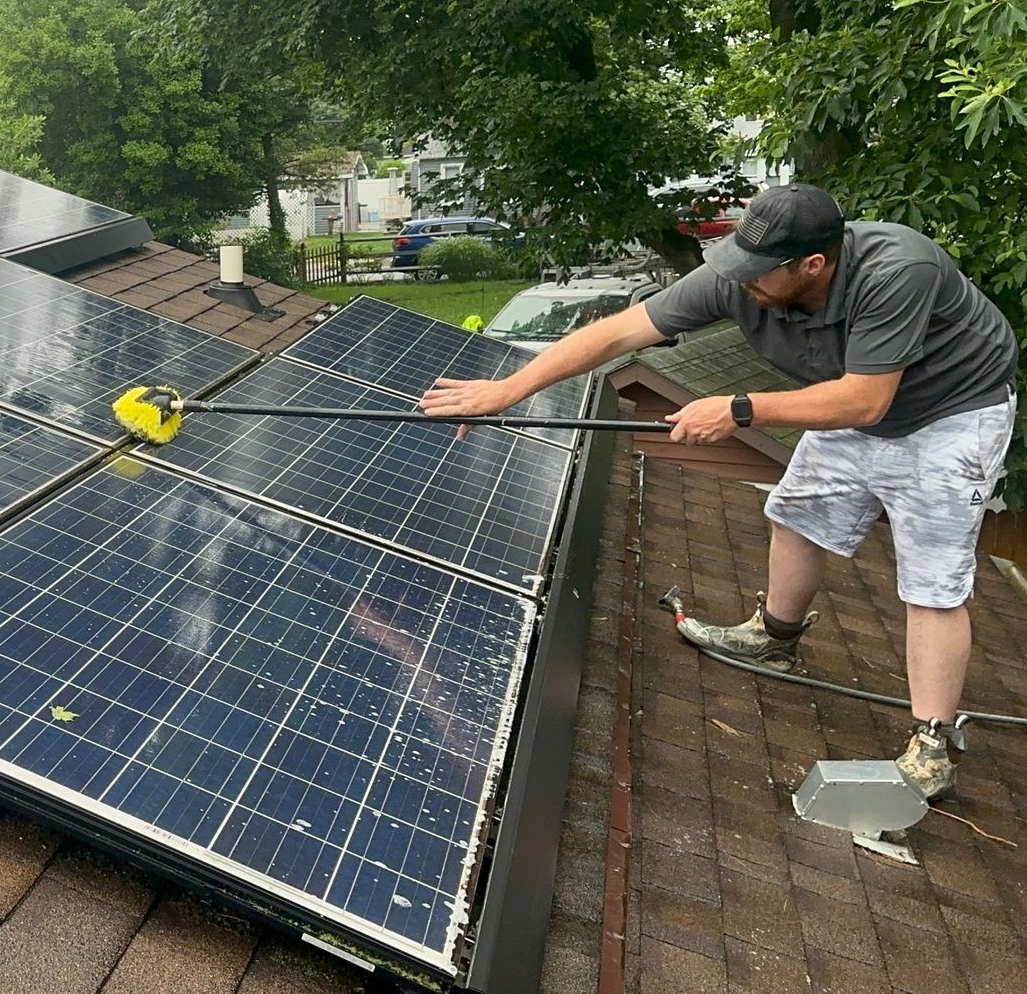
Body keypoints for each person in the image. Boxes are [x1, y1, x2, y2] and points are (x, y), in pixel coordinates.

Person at [419, 183, 1020, 799]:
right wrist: (508, 390)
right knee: (796, 513)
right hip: (852, 401)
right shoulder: (737, 278)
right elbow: (620, 334)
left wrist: (739, 409)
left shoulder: (898, 271)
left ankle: (932, 745)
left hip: (949, 415)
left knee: (932, 581)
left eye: (758, 272)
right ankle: (775, 639)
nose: (742, 283)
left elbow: (866, 401)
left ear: (813, 265)